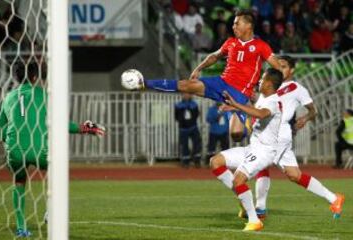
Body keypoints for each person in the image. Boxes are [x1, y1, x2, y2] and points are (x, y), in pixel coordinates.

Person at [125, 9, 280, 142]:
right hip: (221, 82)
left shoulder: (261, 46)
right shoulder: (231, 42)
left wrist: (274, 88)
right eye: (233, 23)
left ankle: (247, 125)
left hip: (239, 93)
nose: (233, 27)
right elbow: (214, 56)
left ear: (248, 25)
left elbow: (277, 68)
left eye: (237, 23)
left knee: (236, 135)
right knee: (186, 85)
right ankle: (143, 83)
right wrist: (198, 68)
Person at [0, 61, 106, 237]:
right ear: (35, 77)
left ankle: (22, 228)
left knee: (19, 184)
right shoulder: (44, 95)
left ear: (15, 78)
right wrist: (85, 128)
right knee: (58, 175)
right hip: (39, 150)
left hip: (14, 151)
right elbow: (60, 123)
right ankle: (50, 212)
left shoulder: (8, 98)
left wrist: (9, 139)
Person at [252, 56, 345, 220]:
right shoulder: (269, 86)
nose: (280, 69)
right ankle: (334, 198)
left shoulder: (297, 88)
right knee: (294, 174)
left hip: (279, 132)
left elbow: (313, 110)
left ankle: (259, 209)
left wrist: (305, 118)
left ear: (292, 70)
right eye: (277, 66)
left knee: (260, 163)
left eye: (284, 66)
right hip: (265, 130)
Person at [210, 68, 284, 231]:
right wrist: (234, 108)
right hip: (252, 148)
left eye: (262, 79)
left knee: (238, 179)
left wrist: (236, 105)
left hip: (264, 152)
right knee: (215, 162)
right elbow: (254, 111)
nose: (259, 81)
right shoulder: (263, 98)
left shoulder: (273, 101)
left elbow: (261, 114)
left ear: (269, 84)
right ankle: (244, 201)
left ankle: (254, 220)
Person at [174, 93, 201, 168]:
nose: (186, 95)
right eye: (184, 94)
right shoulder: (178, 105)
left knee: (197, 144)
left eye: (188, 94)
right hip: (183, 129)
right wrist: (182, 122)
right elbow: (176, 116)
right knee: (184, 145)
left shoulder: (194, 104)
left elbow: (196, 115)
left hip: (193, 127)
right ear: (182, 95)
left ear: (191, 95)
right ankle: (186, 161)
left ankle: (196, 161)